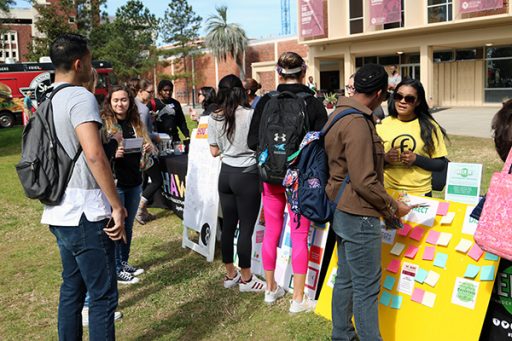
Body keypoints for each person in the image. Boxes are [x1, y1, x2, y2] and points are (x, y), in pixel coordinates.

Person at [41, 33, 127, 340]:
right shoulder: (80, 98)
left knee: (71, 290)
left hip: (59, 210)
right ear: (79, 63)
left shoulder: (48, 98)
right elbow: (94, 154)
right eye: (90, 63)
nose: (92, 69)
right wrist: (116, 205)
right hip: (85, 212)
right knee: (102, 297)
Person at [324, 63, 410, 341]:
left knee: (347, 279)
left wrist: (382, 158)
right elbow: (363, 181)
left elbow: (347, 163)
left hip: (342, 208)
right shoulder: (358, 122)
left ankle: (342, 335)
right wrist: (393, 207)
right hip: (358, 214)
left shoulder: (340, 113)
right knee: (367, 288)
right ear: (379, 93)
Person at [248, 51, 328, 312]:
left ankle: (270, 290)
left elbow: (252, 141)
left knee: (272, 229)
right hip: (299, 179)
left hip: (270, 176)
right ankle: (298, 300)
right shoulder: (313, 103)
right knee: (299, 233)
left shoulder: (265, 101)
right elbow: (322, 142)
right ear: (304, 73)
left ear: (278, 73)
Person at [208, 74, 266, 292]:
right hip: (247, 175)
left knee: (229, 225)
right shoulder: (250, 115)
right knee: (246, 228)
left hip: (226, 174)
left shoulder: (214, 117)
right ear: (241, 91)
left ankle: (230, 274)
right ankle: (246, 278)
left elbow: (214, 151)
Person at [81, 67, 124, 327]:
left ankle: (87, 306)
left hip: (68, 204)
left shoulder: (56, 102)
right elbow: (94, 155)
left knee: (75, 279)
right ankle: (90, 307)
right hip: (89, 201)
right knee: (98, 274)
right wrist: (116, 205)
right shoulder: (84, 104)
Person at [102, 85, 154, 285]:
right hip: (116, 183)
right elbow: (98, 155)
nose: (120, 104)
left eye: (123, 100)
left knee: (128, 225)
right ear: (110, 102)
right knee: (118, 226)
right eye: (116, 100)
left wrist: (148, 147)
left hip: (135, 181)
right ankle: (115, 268)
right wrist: (113, 154)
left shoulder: (135, 123)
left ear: (130, 102)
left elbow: (150, 151)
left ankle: (123, 262)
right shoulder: (105, 124)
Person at [377, 78, 449, 197]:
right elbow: (369, 161)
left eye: (409, 98)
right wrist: (385, 159)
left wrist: (416, 159)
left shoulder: (430, 127)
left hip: (420, 193)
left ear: (418, 102)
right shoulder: (381, 125)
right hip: (388, 191)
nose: (402, 101)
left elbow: (440, 164)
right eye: (398, 96)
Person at [132, 79, 163, 225]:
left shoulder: (135, 105)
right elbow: (142, 133)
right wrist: (155, 137)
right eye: (149, 92)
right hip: (145, 150)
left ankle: (142, 211)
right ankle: (139, 209)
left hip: (135, 150)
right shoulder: (142, 109)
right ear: (140, 91)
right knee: (157, 180)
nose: (152, 95)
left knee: (143, 181)